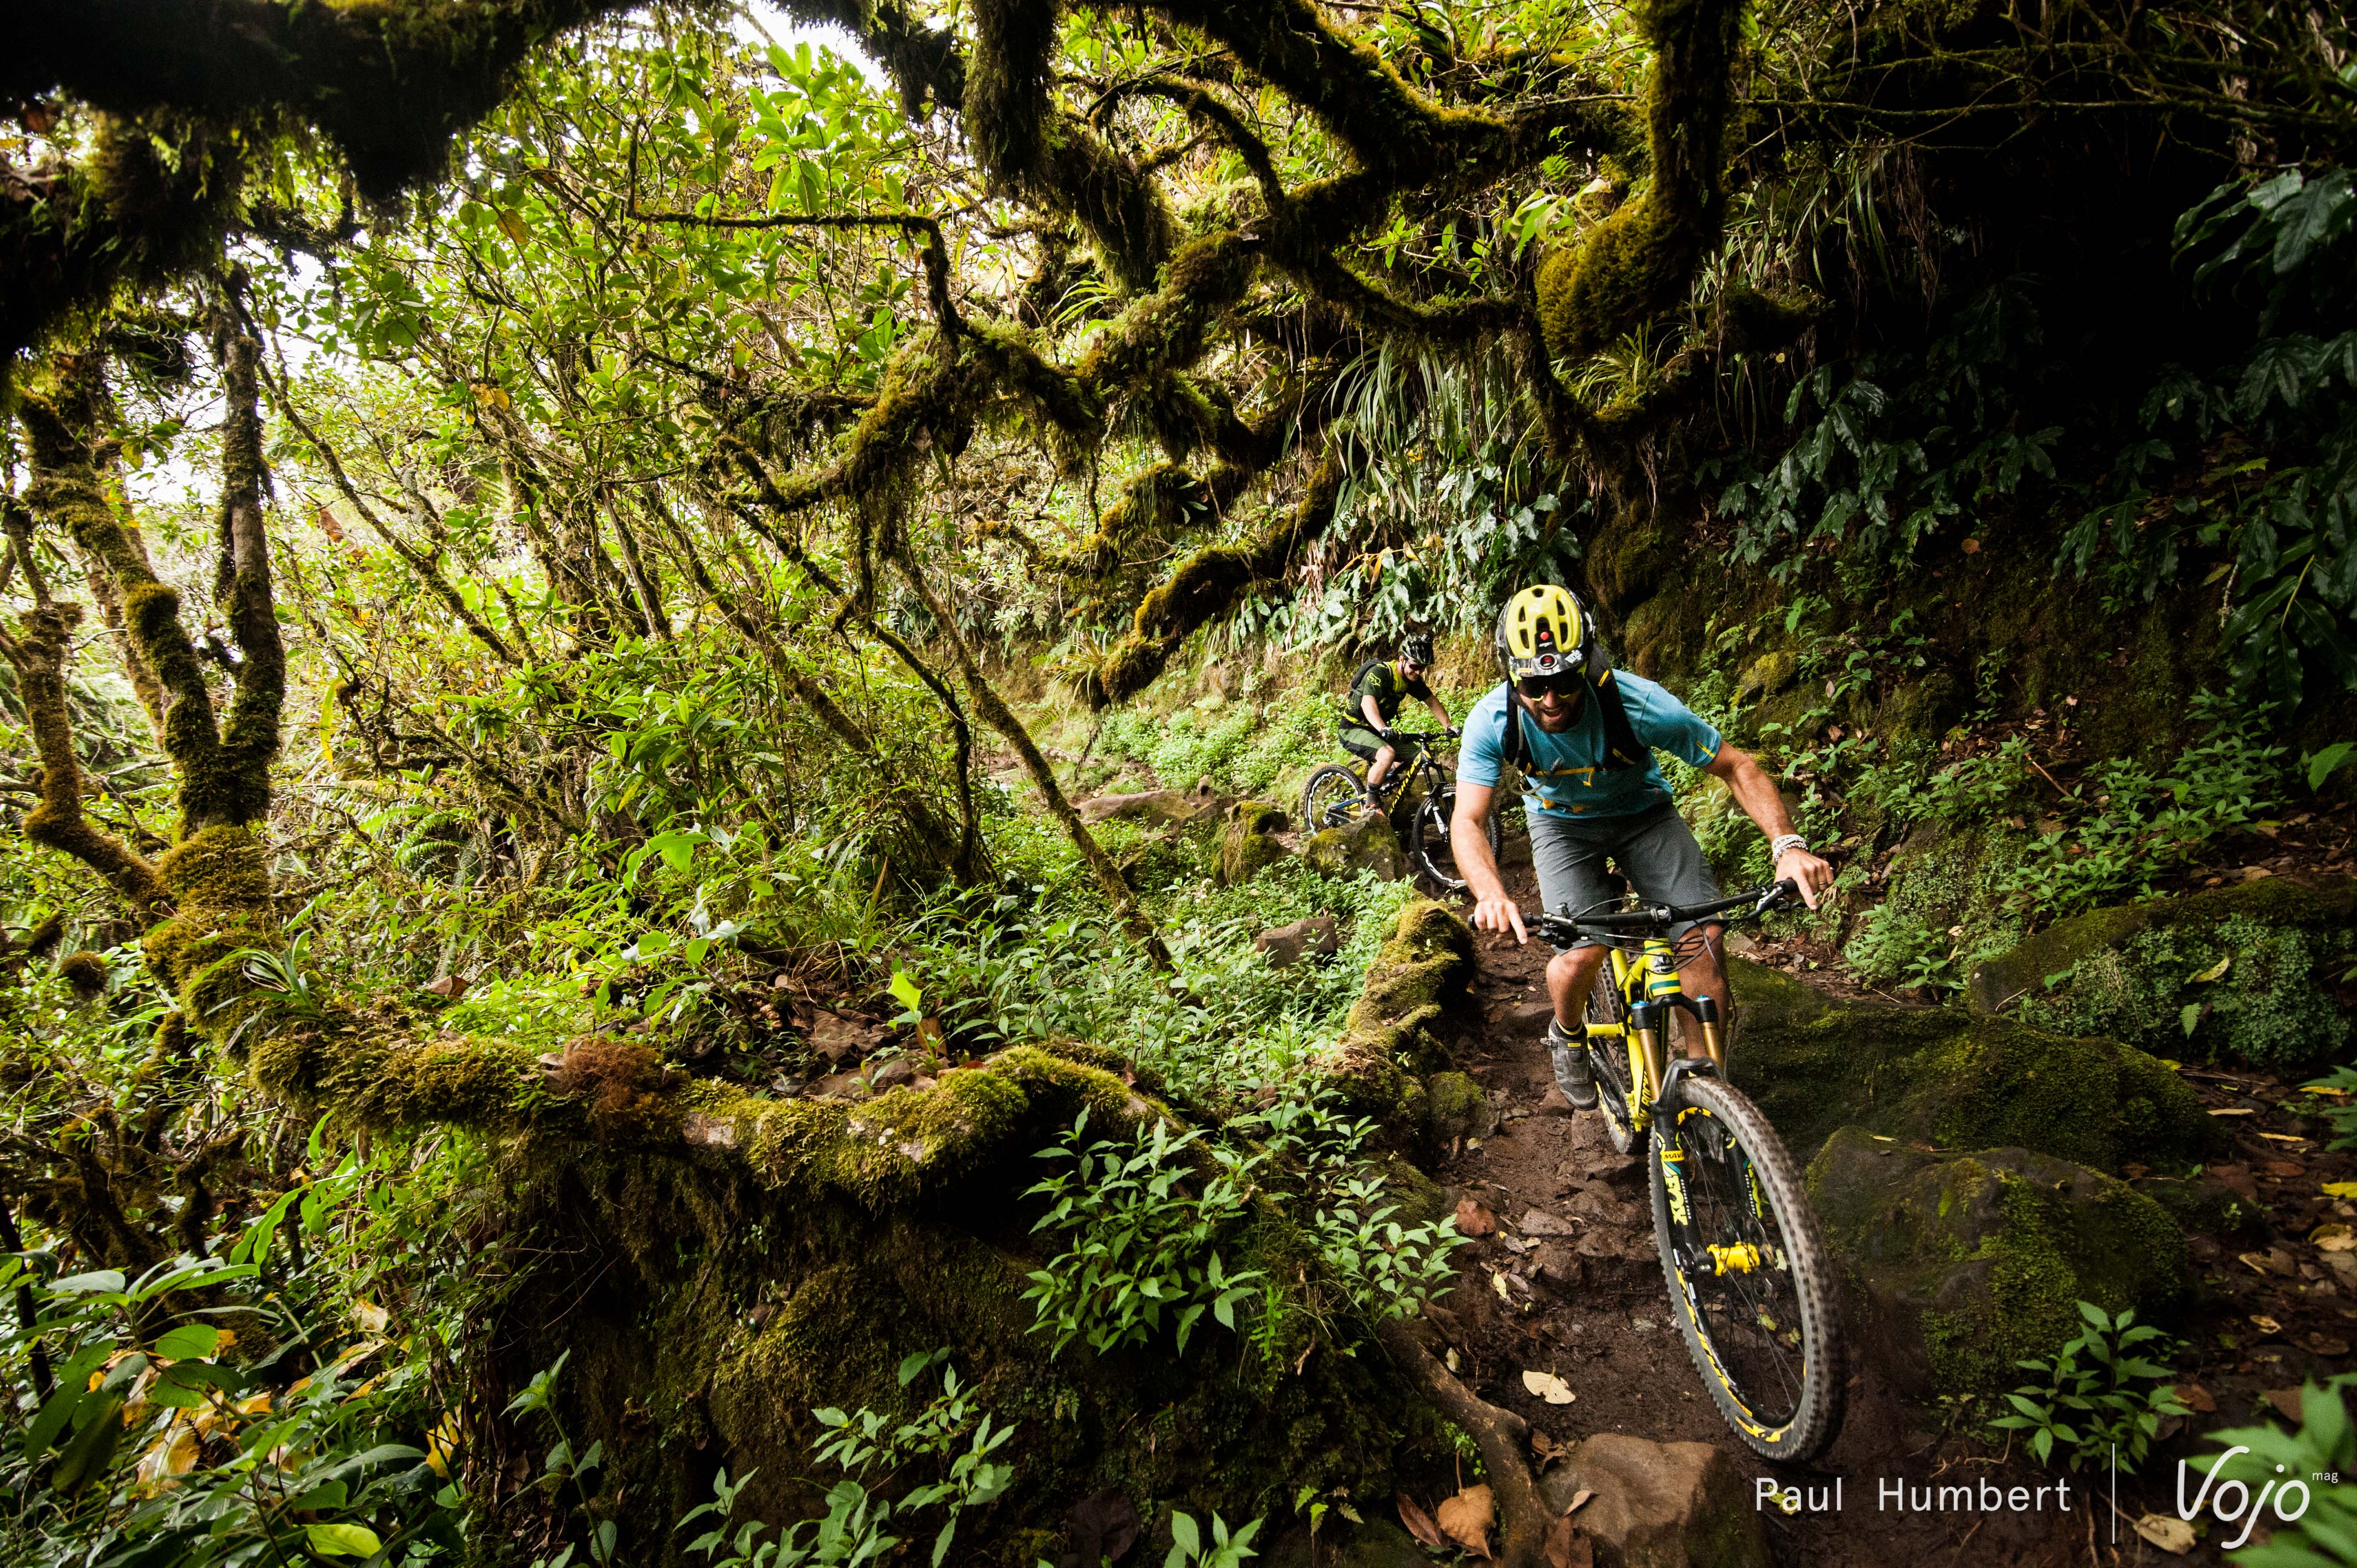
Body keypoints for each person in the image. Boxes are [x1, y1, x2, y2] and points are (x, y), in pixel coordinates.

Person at [1448, 584, 1834, 1110]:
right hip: (1561, 827)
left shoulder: (1638, 703)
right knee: (1581, 954)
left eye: (1565, 681)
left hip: (1645, 816)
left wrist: (1787, 845)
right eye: (1534, 686)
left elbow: (1736, 766)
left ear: (1587, 664)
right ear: (1512, 677)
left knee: (1702, 939)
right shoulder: (1493, 721)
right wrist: (1491, 893)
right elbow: (1468, 819)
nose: (1551, 700)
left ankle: (1710, 1098)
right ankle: (1567, 1032)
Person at [1336, 632, 1457, 812]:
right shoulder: (1381, 673)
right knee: (1387, 754)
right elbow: (1367, 703)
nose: (1418, 672)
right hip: (1353, 728)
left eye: (1422, 668)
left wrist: (1448, 726)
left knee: (1419, 756)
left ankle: (1386, 775)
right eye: (1415, 666)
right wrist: (1383, 728)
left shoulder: (1411, 680)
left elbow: (1431, 701)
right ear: (1402, 659)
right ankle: (1371, 805)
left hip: (1377, 730)